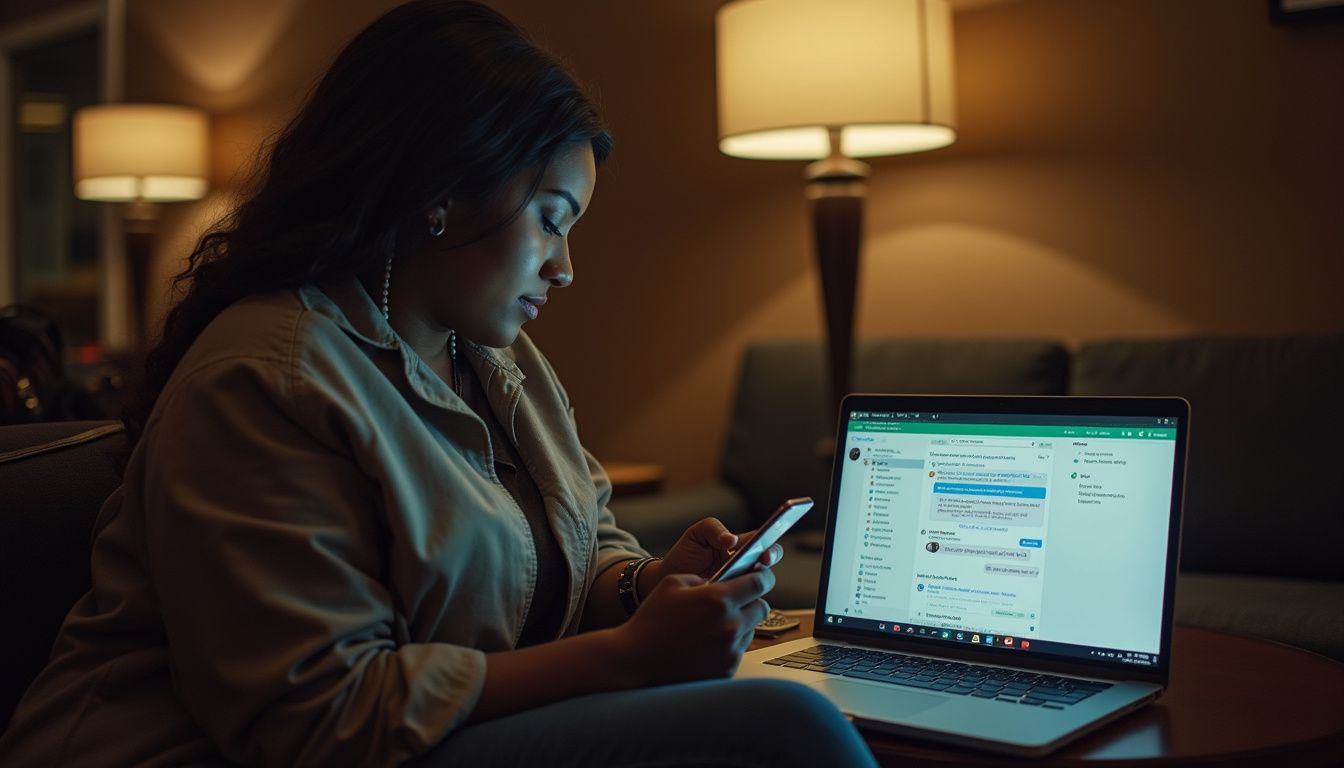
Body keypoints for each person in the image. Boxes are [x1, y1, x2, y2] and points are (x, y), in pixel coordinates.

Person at [0, 3, 877, 766]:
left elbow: (574, 547)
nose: (565, 268)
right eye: (550, 220)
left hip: (424, 740)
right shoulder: (267, 377)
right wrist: (630, 657)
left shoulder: (496, 362)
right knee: (776, 723)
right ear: (440, 191)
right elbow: (316, 718)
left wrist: (640, 587)